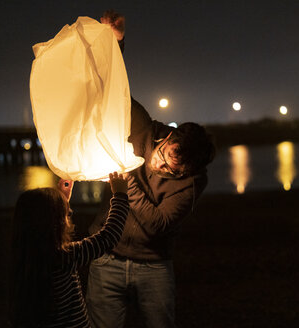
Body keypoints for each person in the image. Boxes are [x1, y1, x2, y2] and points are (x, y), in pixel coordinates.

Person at [86, 10, 216, 328]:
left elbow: (158, 224)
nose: (163, 165)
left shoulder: (193, 180)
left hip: (153, 266)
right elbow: (113, 90)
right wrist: (116, 43)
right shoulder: (144, 127)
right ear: (168, 135)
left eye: (177, 168)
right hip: (105, 255)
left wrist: (126, 180)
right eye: (167, 155)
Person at [9, 172, 129, 327]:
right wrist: (120, 195)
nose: (69, 214)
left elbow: (48, 226)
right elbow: (108, 237)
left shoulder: (24, 258)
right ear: (56, 223)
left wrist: (62, 201)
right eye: (66, 214)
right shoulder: (63, 257)